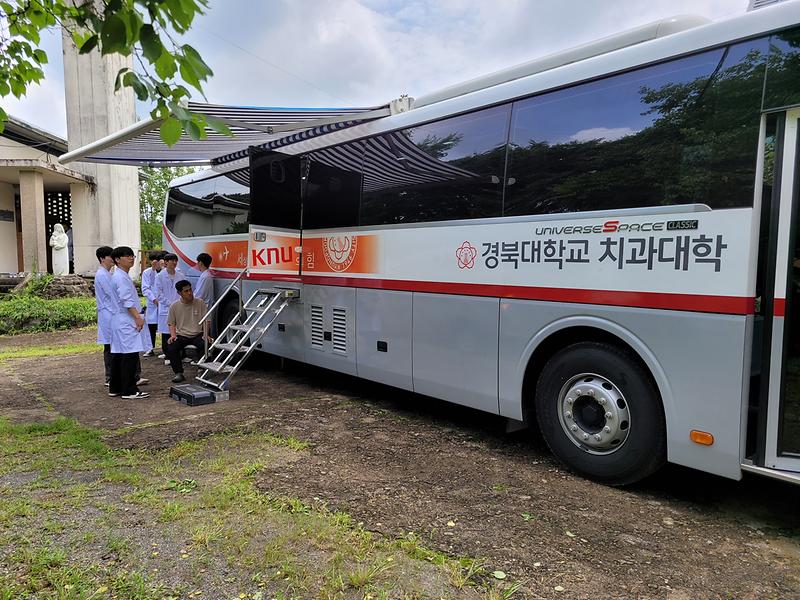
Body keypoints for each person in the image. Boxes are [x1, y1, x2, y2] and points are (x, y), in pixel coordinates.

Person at [108, 246, 152, 399]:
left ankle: (115, 387)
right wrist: (137, 317)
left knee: (119, 354)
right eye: (127, 256)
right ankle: (129, 390)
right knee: (129, 355)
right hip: (126, 319)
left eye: (132, 255)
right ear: (118, 260)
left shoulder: (121, 276)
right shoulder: (120, 277)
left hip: (121, 319)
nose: (131, 258)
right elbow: (126, 300)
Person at [166, 280, 212, 383]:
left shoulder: (200, 302)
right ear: (179, 293)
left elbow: (206, 320)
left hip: (197, 333)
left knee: (206, 343)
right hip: (182, 334)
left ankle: (202, 369)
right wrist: (173, 335)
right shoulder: (174, 306)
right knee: (172, 347)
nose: (190, 293)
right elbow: (171, 323)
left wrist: (206, 334)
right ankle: (178, 373)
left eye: (190, 289)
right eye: (186, 291)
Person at [154, 253, 184, 364]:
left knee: (179, 331)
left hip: (179, 307)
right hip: (166, 307)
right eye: (172, 260)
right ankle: (168, 355)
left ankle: (179, 355)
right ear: (166, 262)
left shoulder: (180, 275)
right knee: (167, 332)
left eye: (176, 260)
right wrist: (169, 303)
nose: (174, 263)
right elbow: (158, 293)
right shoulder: (159, 276)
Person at [94, 246, 115, 387]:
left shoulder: (108, 273)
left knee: (112, 345)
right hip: (108, 313)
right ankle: (110, 377)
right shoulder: (102, 275)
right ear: (102, 258)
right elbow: (112, 294)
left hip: (110, 313)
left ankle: (112, 376)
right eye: (110, 256)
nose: (113, 259)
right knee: (110, 346)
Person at [140, 251, 164, 357]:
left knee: (166, 326)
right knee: (151, 326)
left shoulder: (165, 272)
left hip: (164, 303)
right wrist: (154, 299)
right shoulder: (147, 272)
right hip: (153, 303)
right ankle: (150, 348)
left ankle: (166, 349)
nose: (157, 264)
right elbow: (146, 288)